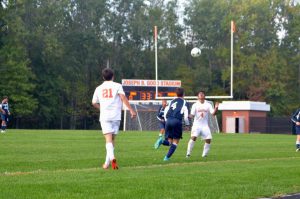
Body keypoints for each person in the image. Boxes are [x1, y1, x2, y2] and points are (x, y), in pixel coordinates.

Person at [92, 68, 136, 170]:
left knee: (108, 139)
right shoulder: (117, 86)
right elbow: (123, 98)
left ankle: (112, 159)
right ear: (113, 76)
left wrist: (101, 108)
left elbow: (94, 102)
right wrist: (131, 110)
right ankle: (107, 163)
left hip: (105, 116)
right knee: (112, 140)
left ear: (103, 77)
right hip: (116, 116)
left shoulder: (98, 88)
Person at [186, 91, 219, 158]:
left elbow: (213, 114)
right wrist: (188, 116)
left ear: (204, 96)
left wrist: (216, 108)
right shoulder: (195, 105)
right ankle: (188, 153)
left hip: (204, 125)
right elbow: (192, 115)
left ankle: (204, 155)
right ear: (197, 97)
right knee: (193, 137)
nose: (201, 95)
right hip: (196, 125)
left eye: (202, 94)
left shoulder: (208, 104)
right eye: (200, 94)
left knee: (208, 139)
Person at [161, 87, 189, 161]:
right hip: (176, 121)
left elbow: (166, 112)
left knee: (169, 142)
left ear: (176, 94)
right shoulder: (185, 102)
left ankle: (162, 141)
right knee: (176, 141)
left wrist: (167, 121)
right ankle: (166, 157)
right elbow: (186, 117)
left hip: (168, 120)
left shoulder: (172, 101)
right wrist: (187, 125)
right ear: (184, 94)